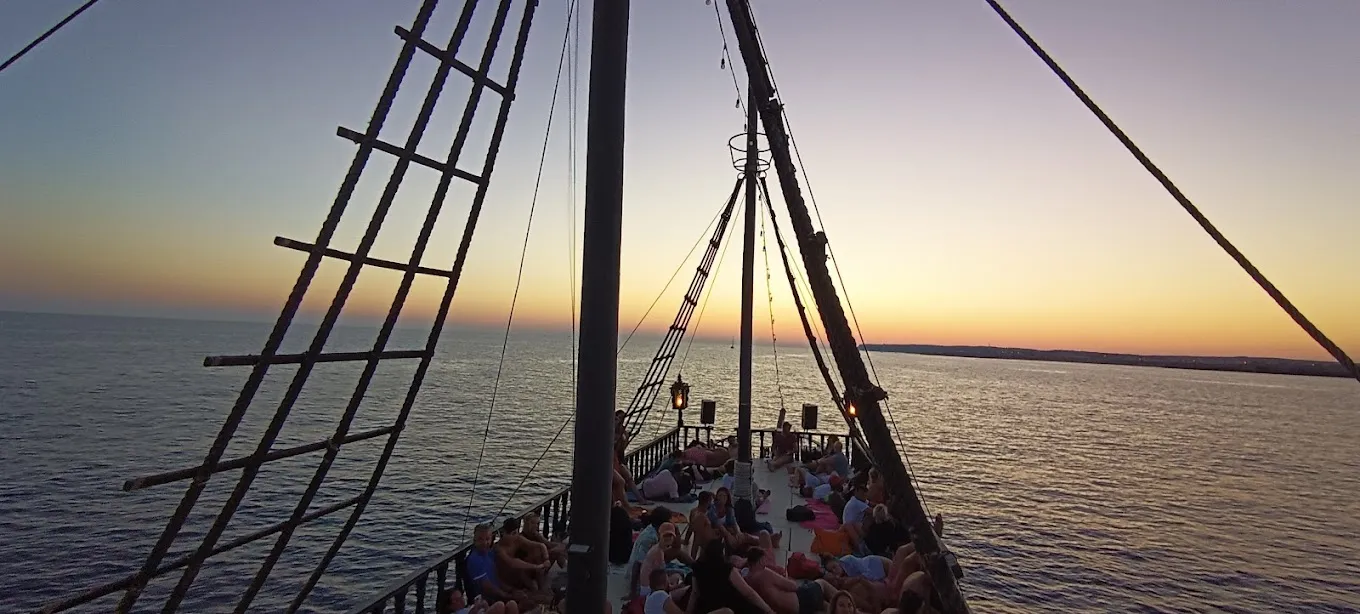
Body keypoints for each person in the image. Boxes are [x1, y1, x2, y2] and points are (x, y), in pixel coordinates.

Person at [688, 539, 776, 614]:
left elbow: (695, 593)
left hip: (707, 607)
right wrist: (769, 610)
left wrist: (688, 612)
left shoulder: (697, 566)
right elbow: (749, 593)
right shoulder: (726, 568)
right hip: (731, 605)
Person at [742, 547, 834, 614]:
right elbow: (793, 586)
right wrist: (787, 578)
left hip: (793, 610)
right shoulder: (764, 573)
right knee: (822, 583)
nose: (766, 562)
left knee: (822, 603)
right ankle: (840, 596)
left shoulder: (746, 580)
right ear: (761, 561)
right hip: (801, 601)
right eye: (765, 560)